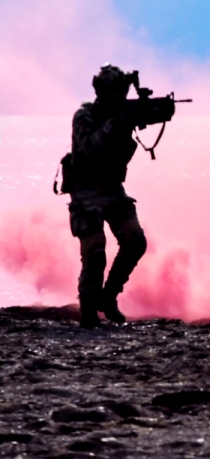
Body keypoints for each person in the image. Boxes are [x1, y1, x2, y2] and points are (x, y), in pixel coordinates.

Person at [67, 64, 149, 328]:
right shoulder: (85, 115)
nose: (118, 97)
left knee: (135, 240)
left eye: (121, 92)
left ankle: (108, 296)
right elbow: (90, 148)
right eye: (114, 92)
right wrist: (117, 122)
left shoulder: (122, 116)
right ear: (101, 92)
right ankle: (89, 312)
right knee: (95, 252)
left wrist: (129, 123)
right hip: (86, 192)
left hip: (112, 190)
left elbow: (124, 154)